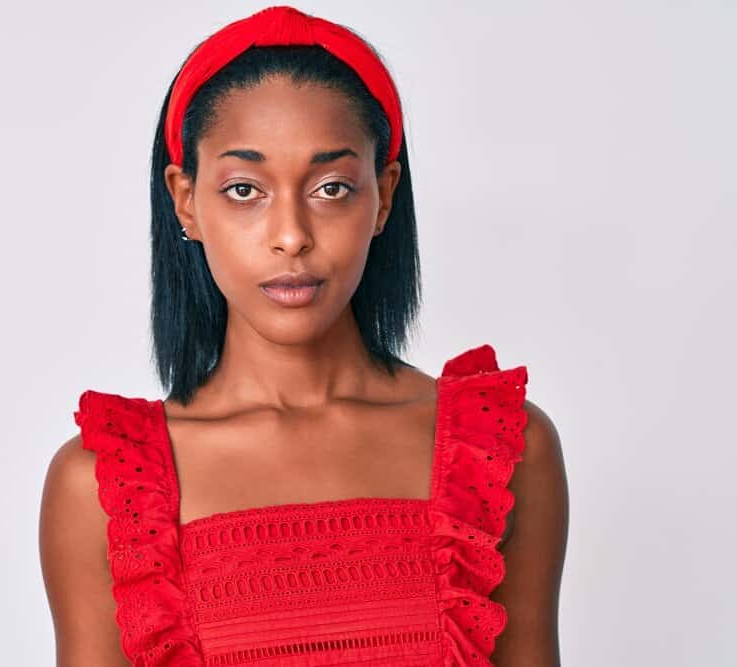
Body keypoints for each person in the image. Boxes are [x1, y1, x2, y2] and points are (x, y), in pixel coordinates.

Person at [39, 5, 569, 666]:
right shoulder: (101, 487)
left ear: (383, 194)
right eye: (243, 189)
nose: (290, 234)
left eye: (331, 187)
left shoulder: (500, 452)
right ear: (185, 201)